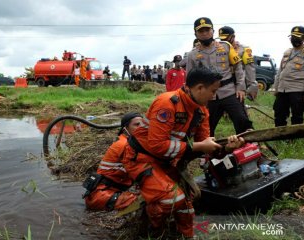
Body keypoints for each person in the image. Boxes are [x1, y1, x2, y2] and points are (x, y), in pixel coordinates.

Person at [122, 68, 245, 238]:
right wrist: (199, 146)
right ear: (200, 88)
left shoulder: (201, 111)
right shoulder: (167, 103)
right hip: (142, 159)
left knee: (187, 208)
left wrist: (227, 149)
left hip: (167, 161)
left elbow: (205, 148)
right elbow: (157, 145)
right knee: (173, 199)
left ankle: (186, 235)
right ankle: (153, 229)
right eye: (213, 91)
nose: (214, 97)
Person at [186, 17, 253, 136]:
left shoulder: (226, 46)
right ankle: (208, 152)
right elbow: (190, 79)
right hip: (208, 97)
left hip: (230, 91)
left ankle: (249, 148)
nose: (205, 34)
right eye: (201, 31)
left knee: (242, 121)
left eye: (207, 30)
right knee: (206, 127)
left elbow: (238, 68)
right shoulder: (193, 54)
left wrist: (241, 88)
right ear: (196, 34)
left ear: (212, 31)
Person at [84, 112, 143, 211]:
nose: (141, 127)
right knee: (146, 202)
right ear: (125, 129)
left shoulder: (128, 143)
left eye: (143, 124)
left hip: (103, 193)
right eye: (136, 124)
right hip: (102, 196)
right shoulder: (125, 145)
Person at [273, 26, 304, 126]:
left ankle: (295, 139)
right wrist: (276, 88)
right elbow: (280, 72)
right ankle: (280, 137)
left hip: (298, 90)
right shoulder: (287, 52)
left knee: (297, 117)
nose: (295, 38)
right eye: (293, 36)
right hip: (283, 90)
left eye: (298, 36)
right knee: (279, 114)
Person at [218, 26, 258, 100]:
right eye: (221, 38)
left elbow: (250, 69)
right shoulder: (218, 49)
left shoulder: (244, 49)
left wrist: (252, 85)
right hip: (222, 85)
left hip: (238, 83)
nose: (223, 40)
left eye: (226, 38)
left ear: (233, 37)